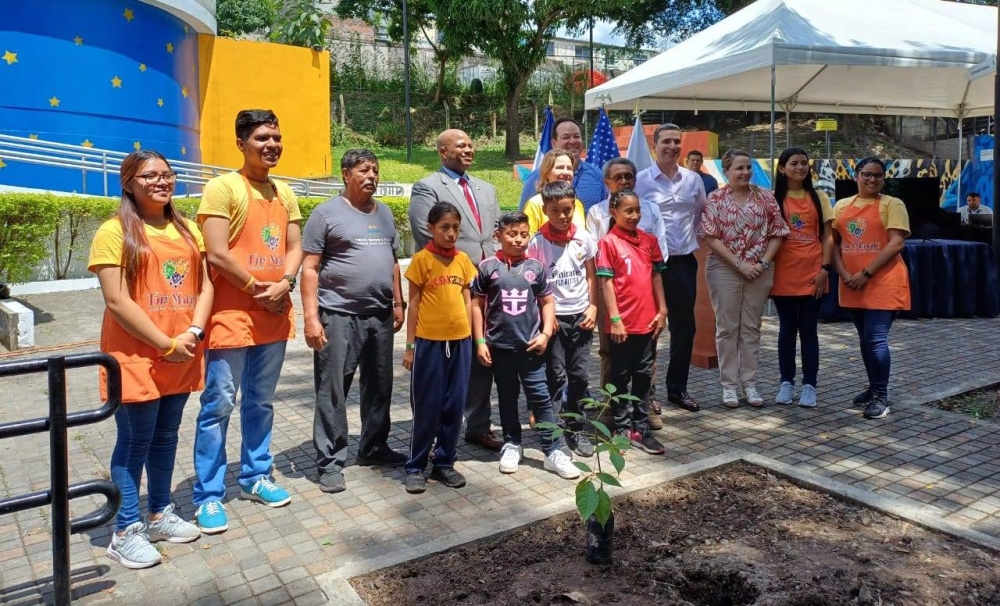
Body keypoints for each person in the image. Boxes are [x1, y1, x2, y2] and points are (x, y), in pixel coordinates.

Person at [92, 151, 210, 569]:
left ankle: (159, 513)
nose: (161, 181)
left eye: (167, 174)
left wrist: (193, 332)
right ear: (128, 183)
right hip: (136, 355)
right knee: (135, 440)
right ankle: (124, 530)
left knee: (166, 436)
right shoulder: (113, 231)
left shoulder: (188, 229)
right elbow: (116, 299)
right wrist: (165, 343)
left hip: (182, 350)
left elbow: (206, 285)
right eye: (149, 175)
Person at [193, 109, 302, 534]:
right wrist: (262, 288)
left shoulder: (285, 193)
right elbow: (216, 253)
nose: (272, 145)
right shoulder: (223, 188)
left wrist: (286, 282)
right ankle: (208, 496)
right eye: (262, 138)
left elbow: (294, 246)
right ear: (241, 143)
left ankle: (257, 474)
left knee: (261, 400)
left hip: (272, 317)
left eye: (276, 137)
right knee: (219, 403)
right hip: (231, 316)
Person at [302, 148, 407, 494]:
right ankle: (330, 461)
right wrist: (310, 318)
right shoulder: (325, 214)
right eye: (364, 170)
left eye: (375, 170)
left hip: (379, 314)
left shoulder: (386, 213)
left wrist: (398, 302)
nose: (371, 176)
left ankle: (373, 446)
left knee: (380, 386)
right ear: (346, 174)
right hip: (338, 315)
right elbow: (311, 268)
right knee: (333, 390)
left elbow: (392, 261)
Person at [408, 129, 503, 452]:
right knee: (443, 367)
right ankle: (434, 432)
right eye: (460, 145)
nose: (468, 149)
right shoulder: (428, 186)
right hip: (449, 286)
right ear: (442, 151)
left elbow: (490, 235)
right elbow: (424, 232)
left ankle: (477, 426)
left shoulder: (487, 189)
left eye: (471, 144)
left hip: (488, 286)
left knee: (481, 357)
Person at [471, 212, 580, 480]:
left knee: (540, 397)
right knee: (507, 396)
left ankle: (552, 450)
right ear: (498, 236)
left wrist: (545, 333)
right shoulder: (487, 268)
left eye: (523, 234)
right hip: (500, 347)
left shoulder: (536, 267)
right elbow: (475, 304)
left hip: (531, 348)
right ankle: (512, 443)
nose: (518, 240)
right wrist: (480, 341)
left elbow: (547, 302)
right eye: (511, 234)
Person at [699, 149, 789, 409]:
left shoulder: (766, 198)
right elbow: (710, 236)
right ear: (726, 171)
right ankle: (728, 386)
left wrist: (761, 263)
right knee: (727, 328)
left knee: (751, 328)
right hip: (724, 269)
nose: (746, 172)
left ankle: (749, 384)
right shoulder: (715, 199)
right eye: (739, 168)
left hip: (759, 270)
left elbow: (777, 232)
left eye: (748, 167)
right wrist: (739, 263)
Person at [401, 202, 478, 494]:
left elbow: (469, 299)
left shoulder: (463, 260)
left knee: (453, 405)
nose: (450, 233)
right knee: (427, 406)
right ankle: (416, 466)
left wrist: (472, 338)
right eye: (444, 227)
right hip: (429, 344)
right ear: (430, 228)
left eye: (455, 228)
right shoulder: (422, 260)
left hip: (460, 342)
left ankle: (445, 462)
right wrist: (410, 347)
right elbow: (414, 305)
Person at [587, 157, 668, 429]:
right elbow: (596, 255)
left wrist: (661, 307)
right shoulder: (597, 214)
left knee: (647, 357)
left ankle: (646, 405)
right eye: (618, 177)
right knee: (611, 352)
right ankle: (612, 406)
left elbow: (658, 261)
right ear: (607, 182)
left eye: (628, 176)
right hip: (610, 289)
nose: (624, 181)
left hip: (643, 291)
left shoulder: (650, 212)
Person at [635, 123, 707, 413]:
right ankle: (646, 393)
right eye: (666, 141)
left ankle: (677, 389)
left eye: (677, 141)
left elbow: (702, 214)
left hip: (683, 263)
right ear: (655, 145)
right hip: (651, 265)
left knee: (684, 329)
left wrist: (693, 239)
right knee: (650, 328)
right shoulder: (641, 181)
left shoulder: (693, 180)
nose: (672, 147)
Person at [832, 157, 910, 420]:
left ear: (883, 179)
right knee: (865, 339)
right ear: (856, 176)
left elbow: (896, 244)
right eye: (867, 174)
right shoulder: (842, 205)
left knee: (876, 338)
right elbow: (832, 243)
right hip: (852, 283)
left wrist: (865, 273)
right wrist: (844, 274)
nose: (872, 179)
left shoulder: (893, 204)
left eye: (878, 175)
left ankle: (881, 395)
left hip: (884, 281)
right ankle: (873, 386)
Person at [527, 182, 598, 458]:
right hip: (553, 320)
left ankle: (575, 427)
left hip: (580, 317)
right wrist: (546, 319)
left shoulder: (584, 237)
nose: (562, 216)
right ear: (545, 210)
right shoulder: (537, 243)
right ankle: (552, 432)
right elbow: (534, 286)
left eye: (567, 210)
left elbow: (591, 275)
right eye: (555, 211)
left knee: (579, 376)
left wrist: (593, 307)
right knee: (554, 376)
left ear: (574, 208)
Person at [771, 148, 835, 408]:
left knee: (809, 331)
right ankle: (786, 382)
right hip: (783, 274)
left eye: (804, 163)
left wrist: (824, 269)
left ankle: (810, 385)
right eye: (794, 163)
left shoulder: (819, 197)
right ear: (782, 168)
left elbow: (828, 236)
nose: (800, 168)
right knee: (786, 330)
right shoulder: (773, 199)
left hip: (814, 273)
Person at [519, 118, 608, 211]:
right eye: (566, 137)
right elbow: (523, 216)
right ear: (554, 143)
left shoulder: (597, 174)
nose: (573, 141)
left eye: (577, 136)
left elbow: (604, 213)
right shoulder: (537, 176)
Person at [522, 149, 588, 237]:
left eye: (569, 168)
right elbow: (528, 241)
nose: (565, 172)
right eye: (560, 167)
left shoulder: (577, 204)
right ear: (546, 173)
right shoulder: (535, 204)